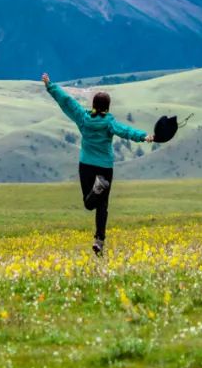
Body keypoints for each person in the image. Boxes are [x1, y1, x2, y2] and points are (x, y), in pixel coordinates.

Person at [42, 72, 152, 256]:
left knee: (89, 203)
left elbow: (67, 101)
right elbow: (125, 130)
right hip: (105, 167)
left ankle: (96, 191)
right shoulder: (109, 122)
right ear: (107, 108)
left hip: (86, 165)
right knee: (102, 206)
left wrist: (50, 86)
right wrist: (144, 136)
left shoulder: (83, 118)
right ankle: (99, 240)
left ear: (93, 105)